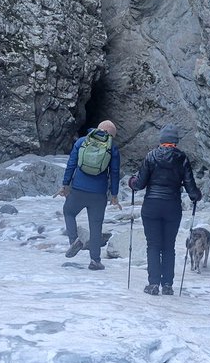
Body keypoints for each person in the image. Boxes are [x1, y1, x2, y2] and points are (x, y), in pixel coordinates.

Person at [128, 125, 202, 295]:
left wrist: (131, 182)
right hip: (172, 207)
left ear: (161, 140)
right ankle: (167, 284)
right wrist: (197, 195)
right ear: (175, 141)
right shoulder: (182, 158)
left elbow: (139, 184)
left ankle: (153, 284)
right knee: (169, 246)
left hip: (152, 206)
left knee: (153, 245)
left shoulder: (151, 156)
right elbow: (192, 190)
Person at [58, 119, 121, 271]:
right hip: (98, 194)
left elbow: (71, 164)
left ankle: (74, 241)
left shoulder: (81, 141)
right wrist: (114, 194)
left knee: (69, 212)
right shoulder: (112, 147)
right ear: (110, 134)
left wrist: (65, 185)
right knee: (96, 226)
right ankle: (95, 261)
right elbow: (114, 172)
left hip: (78, 189)